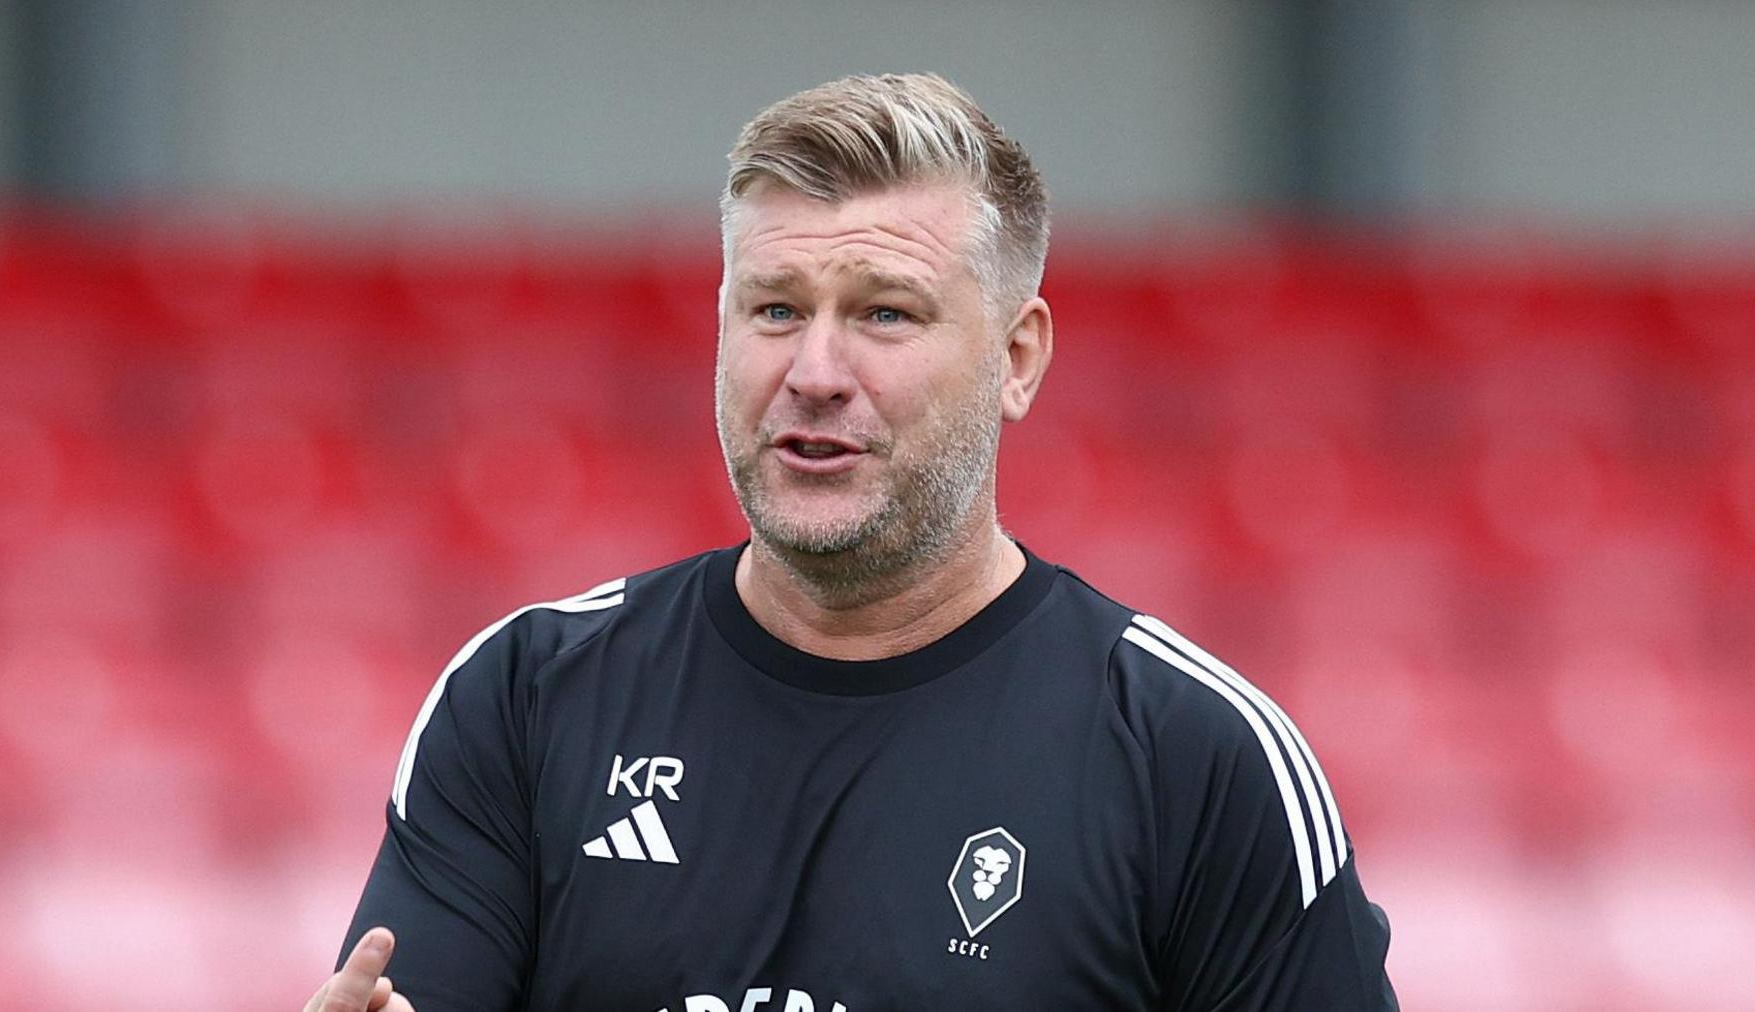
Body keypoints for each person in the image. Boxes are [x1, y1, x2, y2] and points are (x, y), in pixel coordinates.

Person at [306, 73, 1397, 1012]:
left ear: (1017, 358)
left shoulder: (1196, 759)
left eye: (885, 314)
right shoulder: (526, 701)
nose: (816, 373)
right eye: (775, 309)